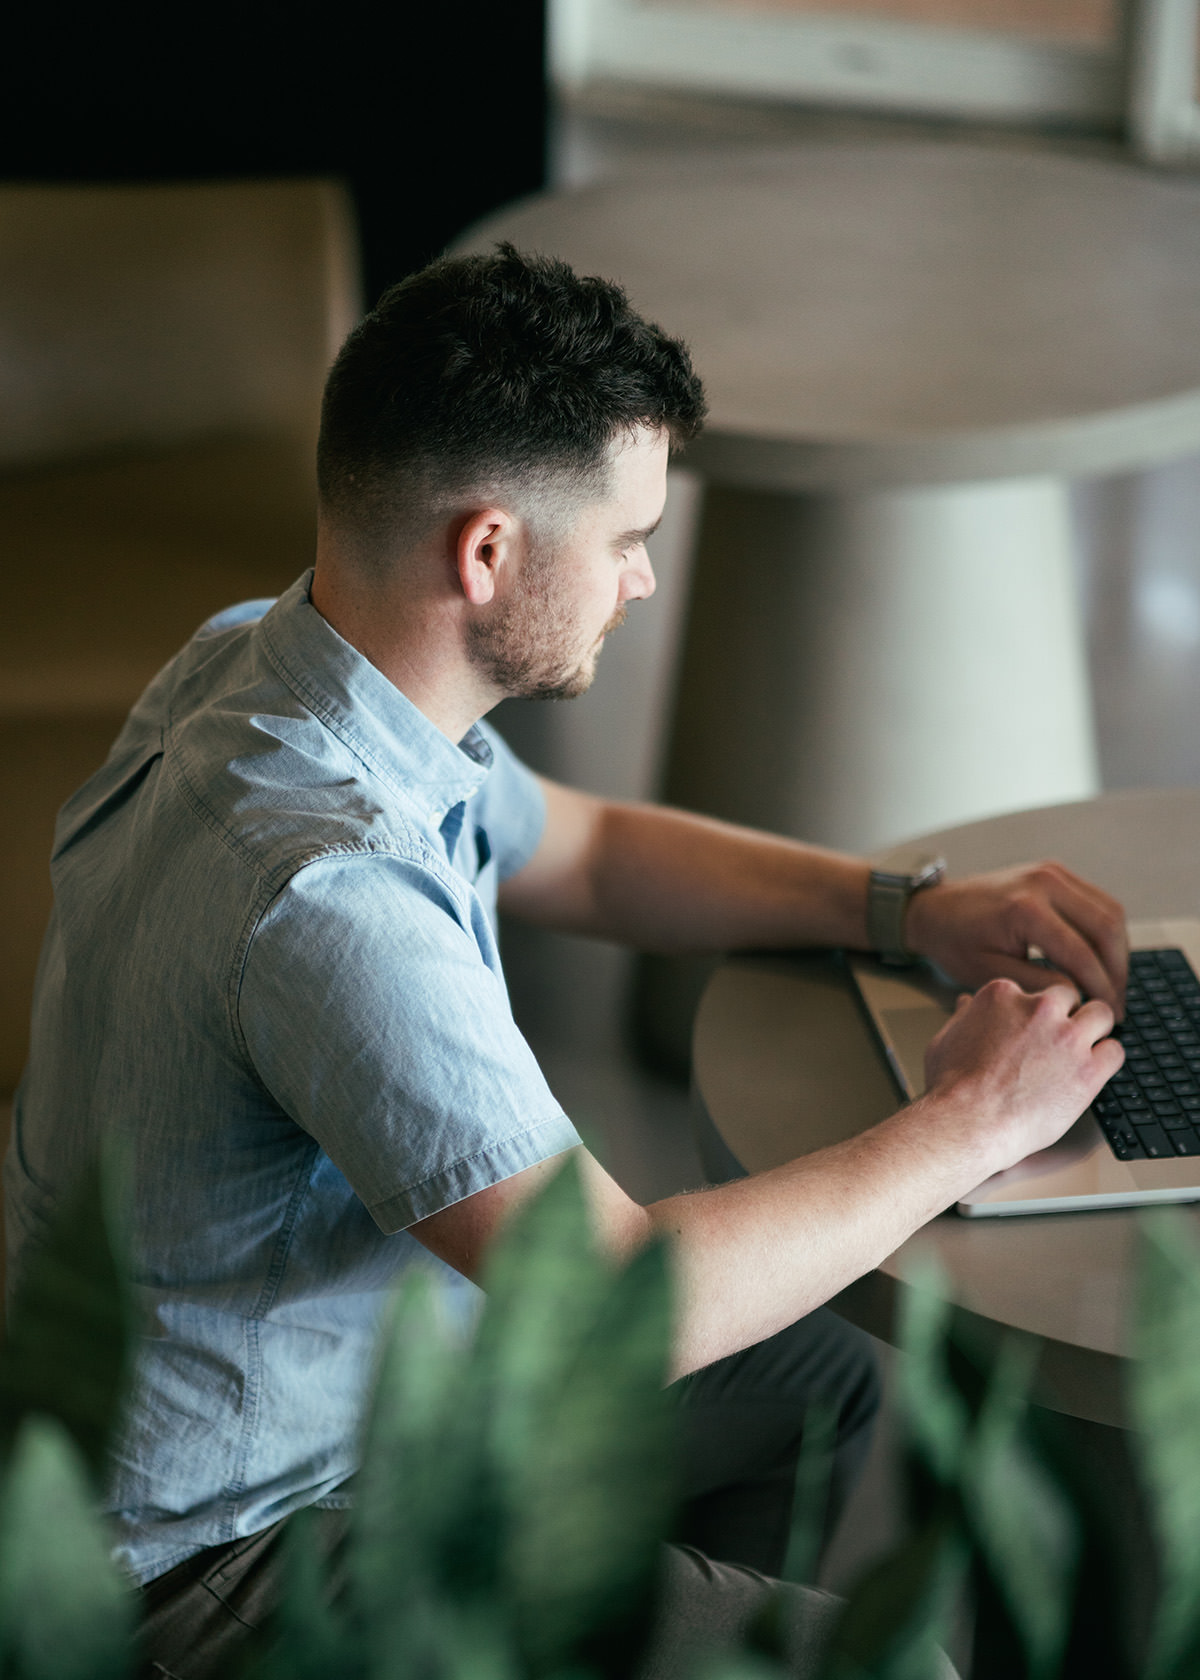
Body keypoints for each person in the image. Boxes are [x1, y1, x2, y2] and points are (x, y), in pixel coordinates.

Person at [5, 245, 1126, 1678]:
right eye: (625, 538)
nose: (646, 580)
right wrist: (972, 1120)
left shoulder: (266, 660)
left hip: (352, 1378)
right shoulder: (325, 896)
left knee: (812, 1385)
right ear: (489, 553)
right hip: (221, 1549)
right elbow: (610, 1311)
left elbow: (582, 849)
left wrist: (903, 907)